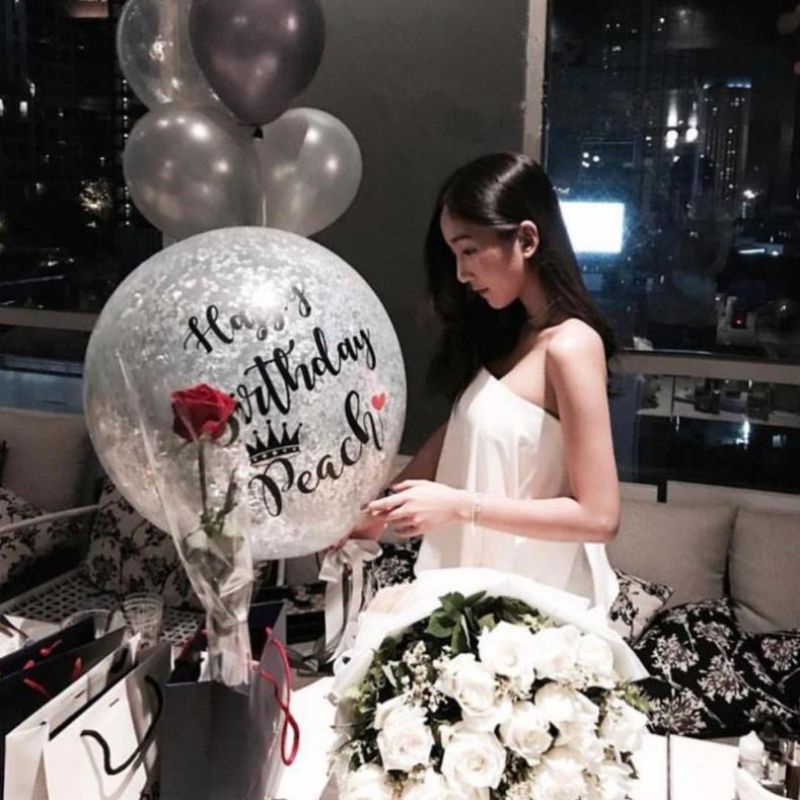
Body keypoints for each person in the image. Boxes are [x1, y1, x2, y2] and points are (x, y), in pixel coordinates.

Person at [352, 152, 621, 611]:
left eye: (469, 250)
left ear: (527, 239)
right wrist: (379, 511)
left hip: (534, 600)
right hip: (478, 587)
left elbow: (599, 516)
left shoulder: (571, 345)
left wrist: (460, 506)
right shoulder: (514, 334)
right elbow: (460, 431)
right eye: (455, 255)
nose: (461, 273)